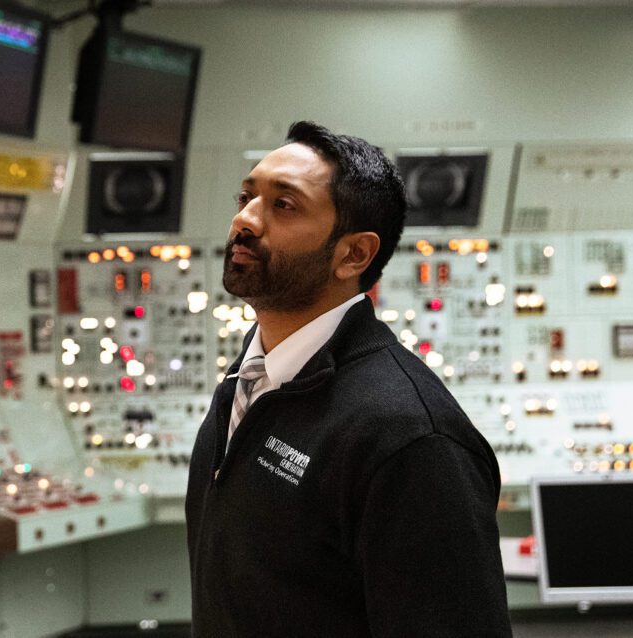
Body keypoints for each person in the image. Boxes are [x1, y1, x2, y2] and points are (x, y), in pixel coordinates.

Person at [185, 121, 511, 636]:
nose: (245, 220)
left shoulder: (411, 438)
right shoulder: (246, 381)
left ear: (353, 254)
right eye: (246, 196)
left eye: (283, 205)